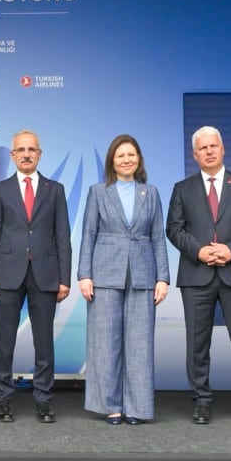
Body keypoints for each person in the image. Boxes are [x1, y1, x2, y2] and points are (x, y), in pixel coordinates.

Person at [166, 126, 231, 426]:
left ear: (222, 149)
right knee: (197, 343)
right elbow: (174, 229)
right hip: (197, 275)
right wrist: (199, 251)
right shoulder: (182, 188)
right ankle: (202, 400)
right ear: (195, 155)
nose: (209, 151)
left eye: (213, 146)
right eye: (203, 148)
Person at [79, 134, 169, 424]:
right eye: (121, 155)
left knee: (140, 344)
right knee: (105, 343)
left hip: (143, 274)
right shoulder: (98, 192)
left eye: (131, 155)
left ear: (139, 159)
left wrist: (163, 278)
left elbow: (158, 237)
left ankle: (137, 408)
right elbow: (88, 234)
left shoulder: (150, 192)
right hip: (105, 273)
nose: (126, 160)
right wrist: (84, 275)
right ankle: (111, 405)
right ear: (112, 161)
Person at [0, 129, 72, 423]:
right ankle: (3, 398)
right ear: (12, 155)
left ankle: (43, 400)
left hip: (46, 274)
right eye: (20, 150)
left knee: (44, 342)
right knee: (4, 341)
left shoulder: (55, 189)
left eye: (31, 149)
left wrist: (64, 278)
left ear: (39, 154)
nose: (26, 154)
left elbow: (63, 236)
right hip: (8, 274)